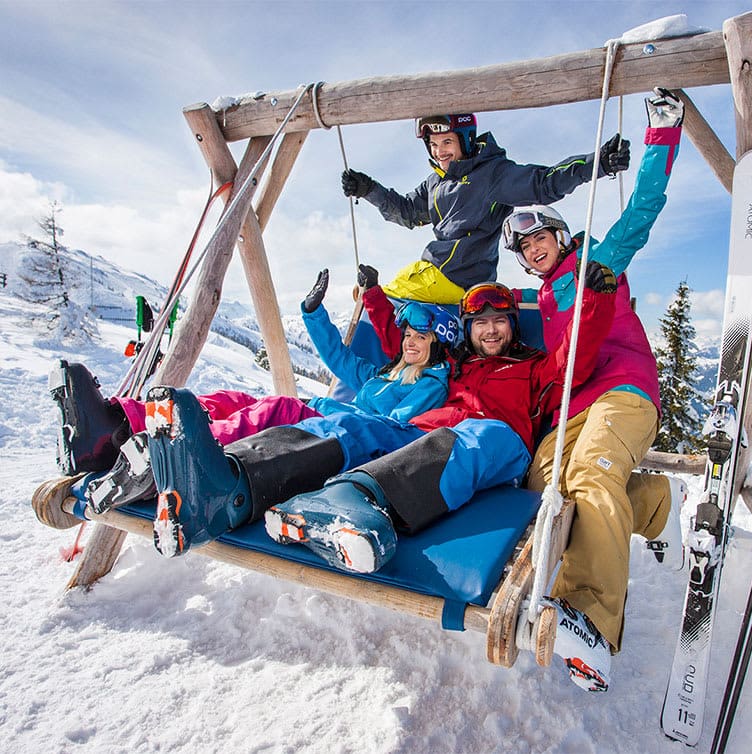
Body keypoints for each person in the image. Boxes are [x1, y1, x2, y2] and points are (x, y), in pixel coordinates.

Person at [267, 274, 616, 691]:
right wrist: (376, 297)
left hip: (497, 445)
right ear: (468, 330)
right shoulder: (453, 365)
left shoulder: (534, 368)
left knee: (477, 437)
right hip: (423, 434)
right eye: (480, 322)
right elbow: (403, 339)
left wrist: (595, 298)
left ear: (512, 326)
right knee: (361, 426)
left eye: (499, 320)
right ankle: (246, 479)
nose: (490, 329)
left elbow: (575, 358)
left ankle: (361, 496)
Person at [33, 271, 456, 535]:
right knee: (232, 399)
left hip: (345, 431)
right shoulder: (383, 372)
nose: (410, 342)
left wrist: (330, 410)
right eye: (408, 335)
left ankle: (181, 450)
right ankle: (115, 428)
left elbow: (389, 425)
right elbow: (341, 358)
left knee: (276, 410)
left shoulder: (432, 384)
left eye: (421, 337)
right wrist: (313, 313)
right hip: (327, 411)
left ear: (439, 343)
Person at [499, 88, 689, 671]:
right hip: (571, 404)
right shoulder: (536, 301)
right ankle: (653, 506)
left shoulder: (596, 264)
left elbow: (642, 211)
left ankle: (591, 622)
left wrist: (661, 135)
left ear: (559, 235)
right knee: (541, 484)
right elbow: (481, 315)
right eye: (524, 248)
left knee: (591, 472)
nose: (535, 250)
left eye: (540, 238)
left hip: (624, 389)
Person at [340, 113, 630, 303]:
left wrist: (598, 164)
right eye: (434, 144)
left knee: (374, 302)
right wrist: (369, 190)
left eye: (447, 142)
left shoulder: (491, 174)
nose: (440, 151)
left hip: (458, 277)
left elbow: (543, 183)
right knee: (367, 298)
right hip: (431, 272)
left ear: (465, 141)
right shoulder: (435, 183)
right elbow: (407, 212)